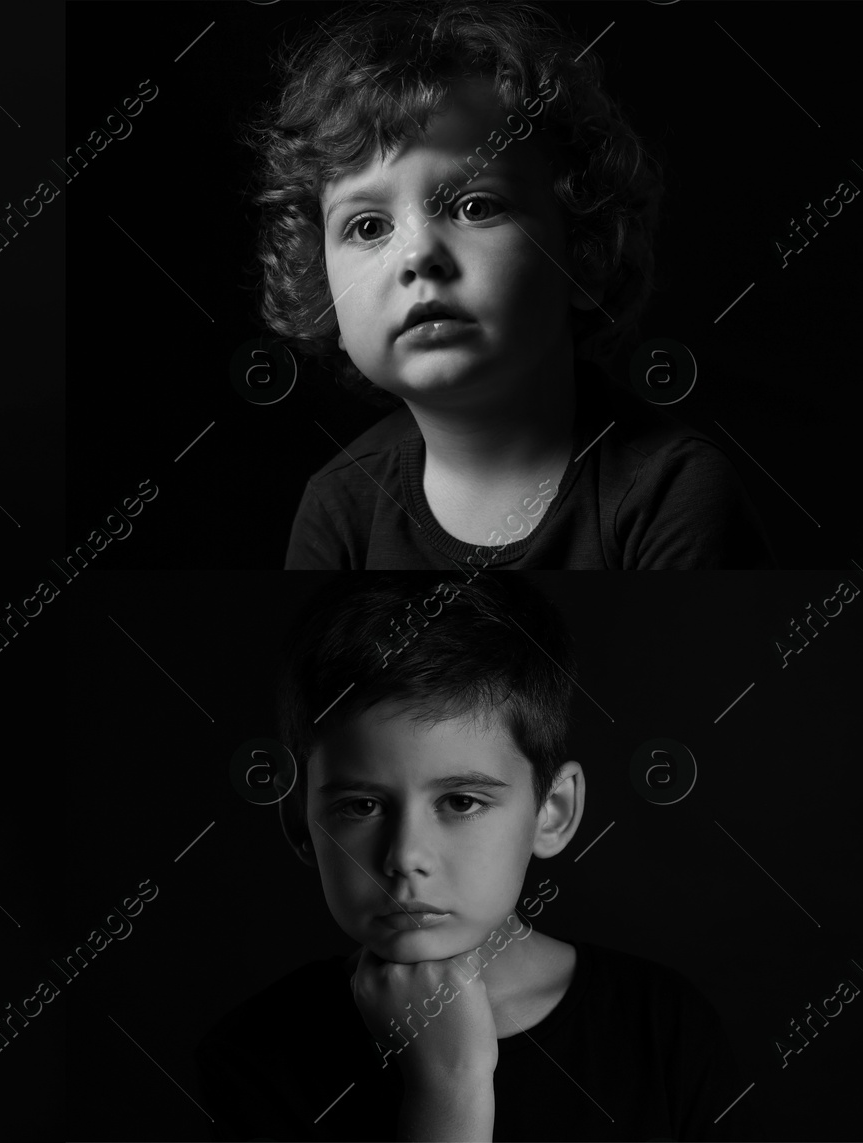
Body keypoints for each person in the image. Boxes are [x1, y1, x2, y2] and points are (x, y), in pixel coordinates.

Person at [196, 573, 765, 1140]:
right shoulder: (254, 1060)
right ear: (301, 823)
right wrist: (449, 1091)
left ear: (554, 812)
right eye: (362, 805)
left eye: (462, 801)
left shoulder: (663, 1028)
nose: (406, 857)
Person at [244, 0, 771, 569]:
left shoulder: (673, 493)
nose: (420, 255)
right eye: (368, 226)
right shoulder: (337, 512)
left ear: (584, 255)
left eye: (475, 206)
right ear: (327, 298)